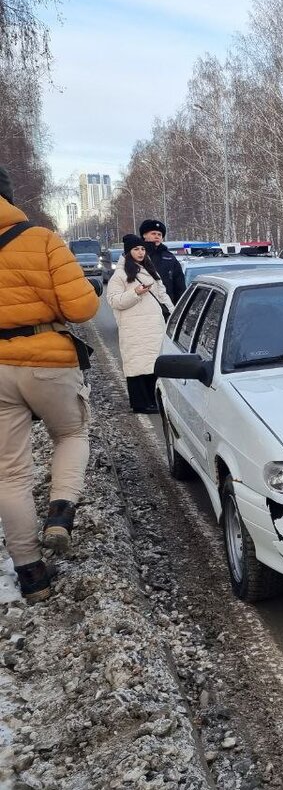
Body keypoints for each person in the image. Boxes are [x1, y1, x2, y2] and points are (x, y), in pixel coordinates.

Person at [0, 165, 100, 602]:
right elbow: (82, 308)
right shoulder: (40, 239)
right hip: (48, 361)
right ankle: (60, 512)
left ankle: (31, 575)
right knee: (72, 432)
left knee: (8, 474)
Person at [107, 234, 174, 414]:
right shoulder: (120, 275)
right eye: (136, 249)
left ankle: (152, 401)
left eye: (143, 249)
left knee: (153, 363)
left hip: (154, 326)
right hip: (134, 328)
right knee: (137, 364)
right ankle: (140, 404)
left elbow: (162, 294)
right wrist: (135, 293)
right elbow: (114, 301)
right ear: (128, 252)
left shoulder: (150, 270)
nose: (140, 252)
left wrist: (174, 313)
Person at [139, 218, 185, 303]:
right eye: (153, 233)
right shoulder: (137, 255)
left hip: (166, 308)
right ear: (144, 235)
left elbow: (180, 287)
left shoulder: (170, 258)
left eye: (159, 235)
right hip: (142, 308)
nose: (157, 236)